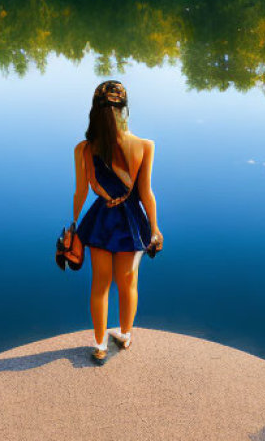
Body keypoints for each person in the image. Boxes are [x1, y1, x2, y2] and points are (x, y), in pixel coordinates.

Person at [71, 80, 163, 365]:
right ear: (125, 109)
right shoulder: (145, 146)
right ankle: (124, 336)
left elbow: (81, 192)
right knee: (128, 284)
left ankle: (100, 345)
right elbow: (146, 193)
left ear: (94, 110)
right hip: (133, 222)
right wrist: (155, 229)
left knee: (100, 285)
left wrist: (74, 227)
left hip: (100, 220)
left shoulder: (85, 148)